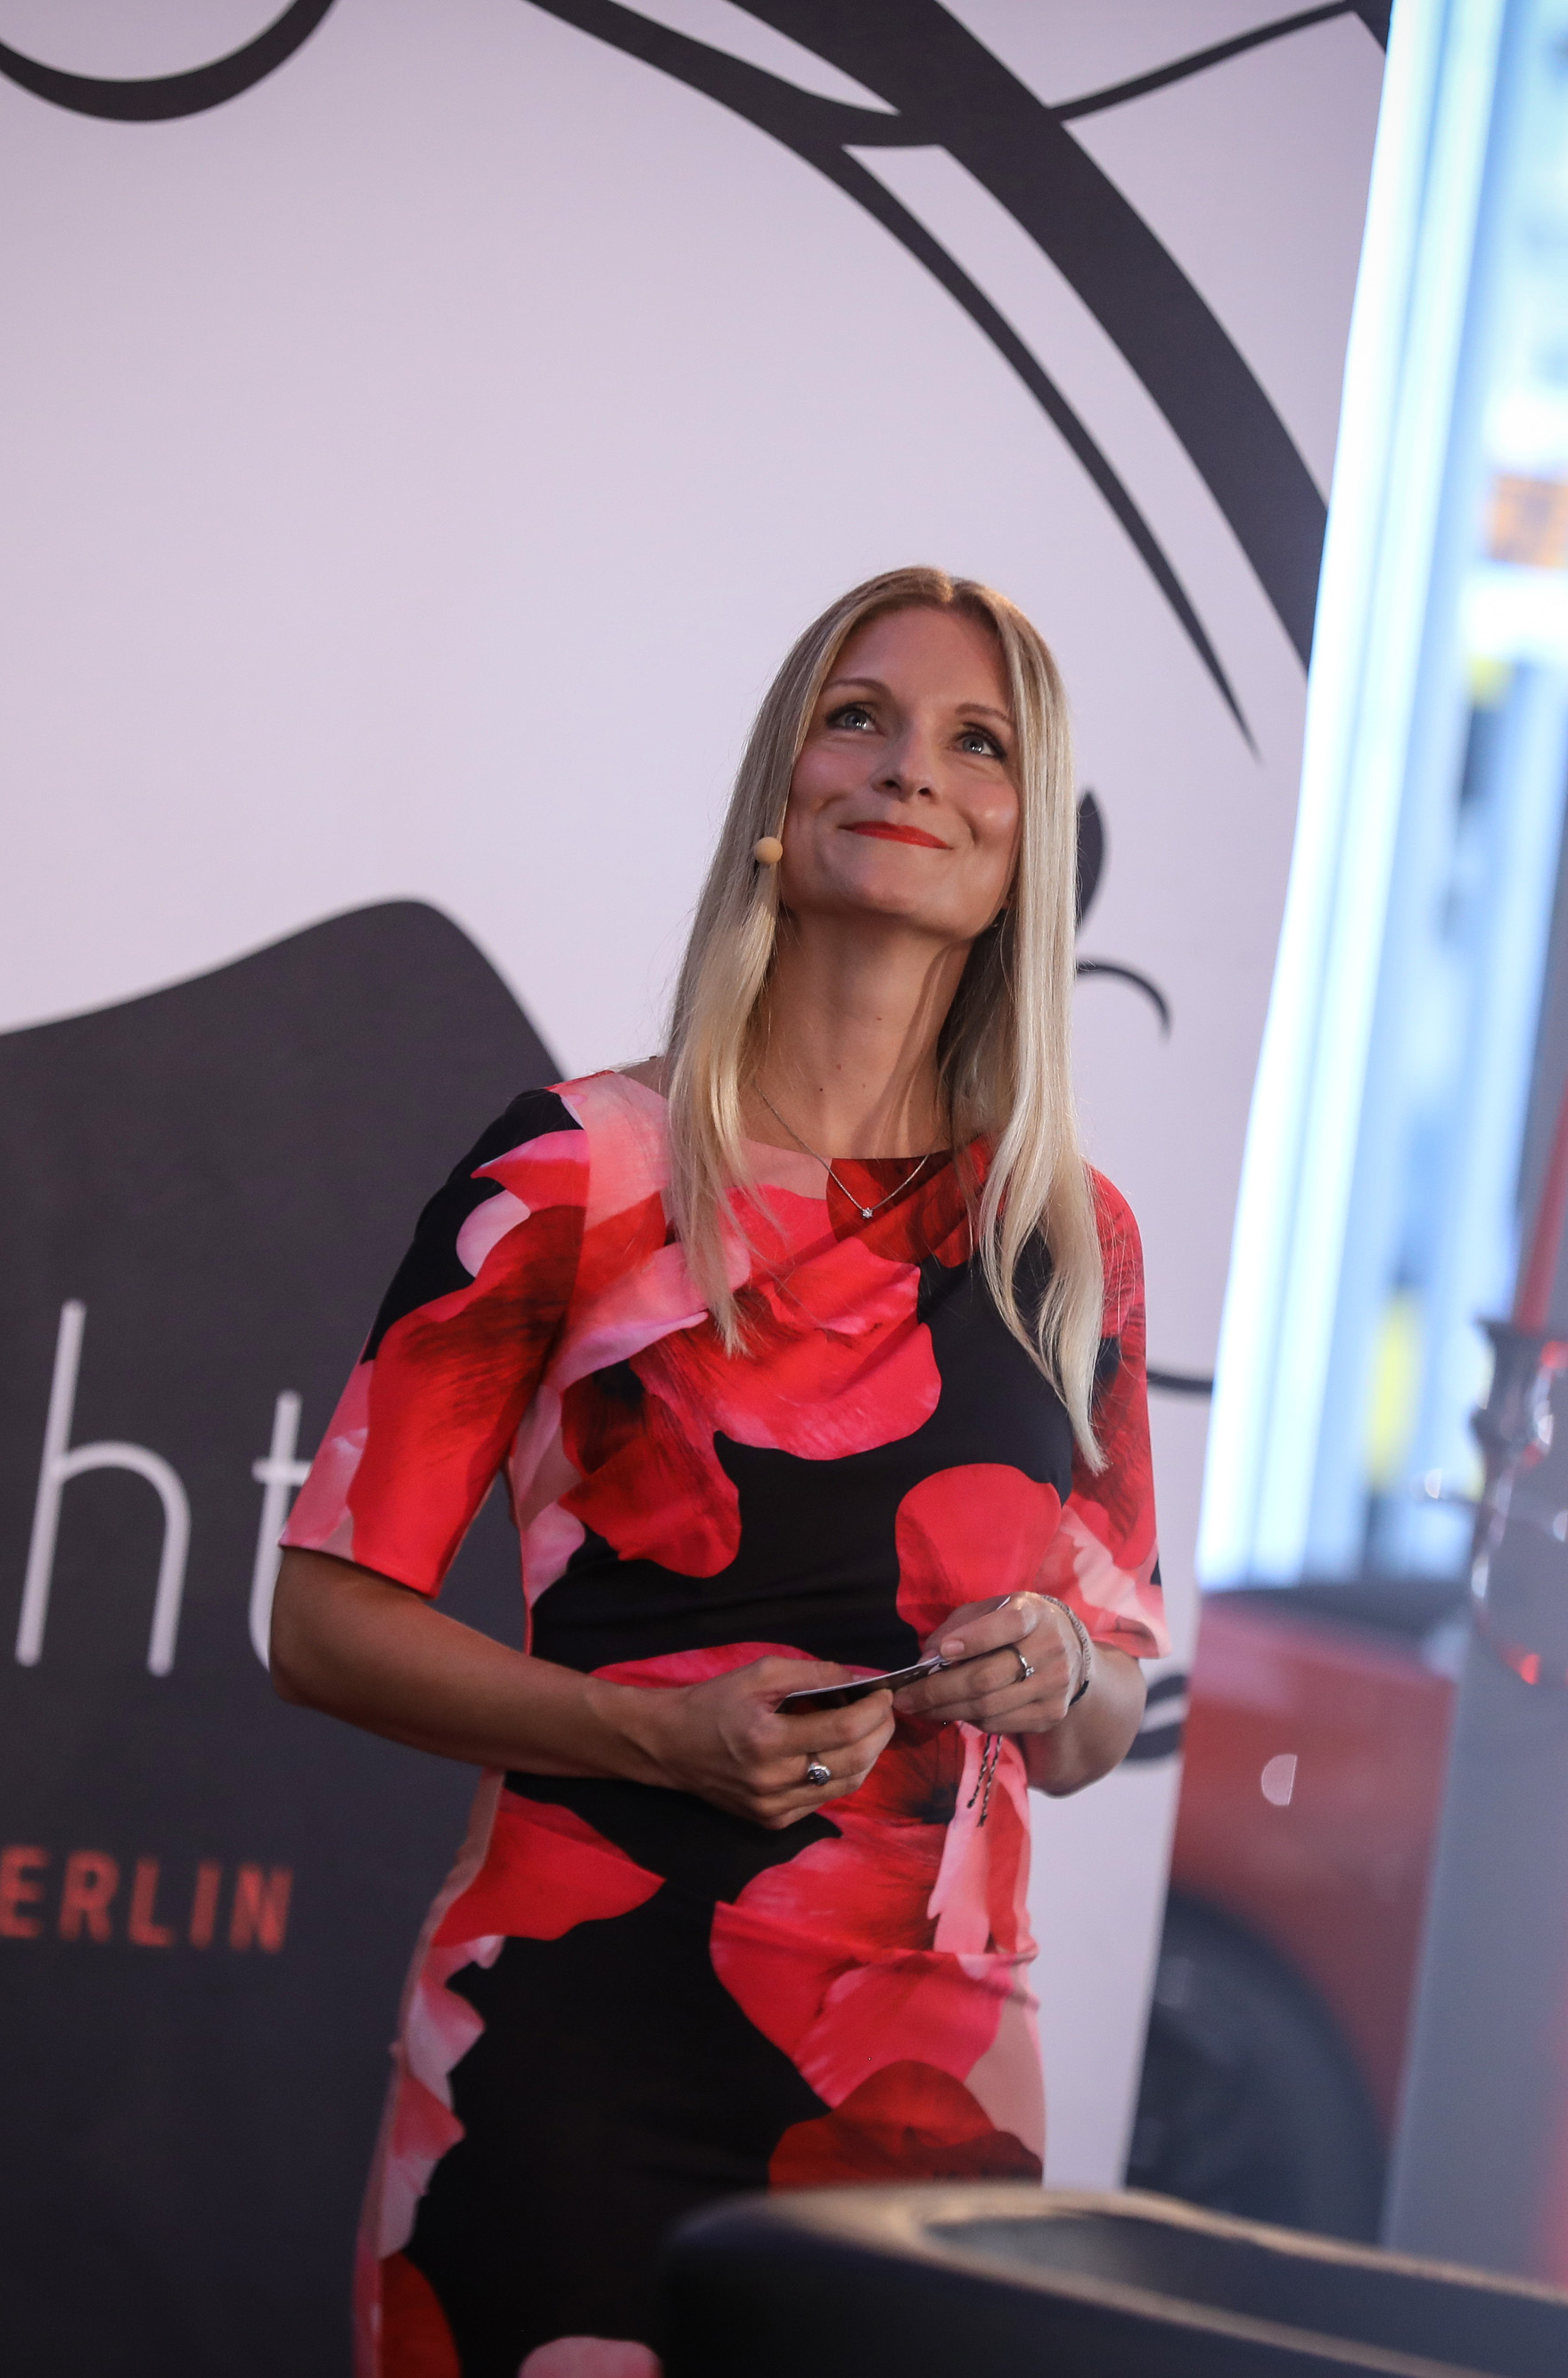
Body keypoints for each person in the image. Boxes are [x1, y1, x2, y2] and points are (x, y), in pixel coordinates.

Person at [267, 565, 1163, 2377]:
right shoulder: (571, 1172)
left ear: (1024, 849)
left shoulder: (1070, 1238)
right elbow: (317, 1620)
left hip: (923, 2090)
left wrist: (1063, 1663)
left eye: (978, 743)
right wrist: (652, 1735)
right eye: (859, 717)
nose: (909, 768)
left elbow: (1097, 1722)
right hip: (567, 2058)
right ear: (779, 791)